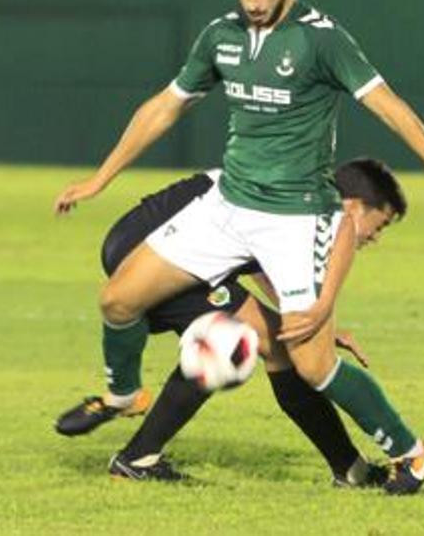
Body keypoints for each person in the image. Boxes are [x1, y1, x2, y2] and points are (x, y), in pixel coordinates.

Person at [54, 0, 424, 495]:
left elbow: (394, 109)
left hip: (295, 218)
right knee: (117, 300)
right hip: (226, 206)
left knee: (312, 365)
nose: (254, 0)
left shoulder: (321, 39)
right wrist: (101, 177)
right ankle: (123, 397)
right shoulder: (220, 36)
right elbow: (165, 107)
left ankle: (414, 452)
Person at [57, 160, 404, 488]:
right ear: (355, 205)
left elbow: (255, 262)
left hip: (150, 250)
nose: (376, 236)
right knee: (226, 345)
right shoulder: (291, 202)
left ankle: (349, 468)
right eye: (382, 223)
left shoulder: (283, 190)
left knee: (277, 347)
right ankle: (137, 452)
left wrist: (308, 320)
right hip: (147, 256)